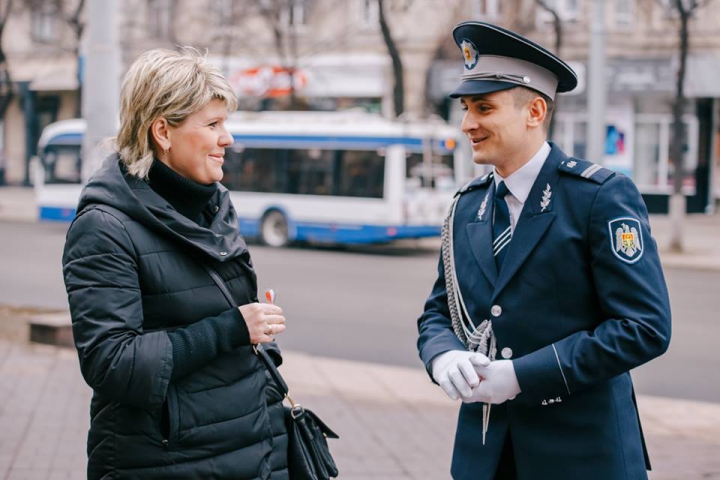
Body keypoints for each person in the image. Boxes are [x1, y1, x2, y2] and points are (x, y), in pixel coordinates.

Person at [417, 22, 671, 480]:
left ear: (534, 111)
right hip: (486, 456)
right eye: (466, 108)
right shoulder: (465, 205)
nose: (467, 123)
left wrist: (521, 376)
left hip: (582, 455)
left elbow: (644, 327)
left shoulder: (599, 197)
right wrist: (443, 356)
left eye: (484, 108)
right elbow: (440, 310)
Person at [62, 48, 289, 479]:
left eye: (226, 123)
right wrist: (233, 328)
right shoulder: (104, 227)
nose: (229, 139)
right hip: (165, 461)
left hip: (247, 448)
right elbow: (112, 363)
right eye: (213, 124)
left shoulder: (213, 203)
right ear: (163, 131)